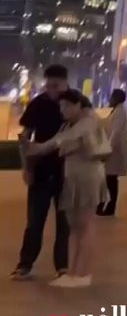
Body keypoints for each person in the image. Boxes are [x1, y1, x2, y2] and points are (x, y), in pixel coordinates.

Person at [25, 89, 110, 288]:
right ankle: (73, 272)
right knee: (76, 228)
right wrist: (38, 148)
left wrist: (39, 147)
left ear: (78, 105)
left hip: (87, 177)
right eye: (61, 106)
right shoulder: (71, 123)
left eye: (66, 106)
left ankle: (83, 273)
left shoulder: (88, 121)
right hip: (75, 177)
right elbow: (60, 139)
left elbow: (61, 140)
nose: (62, 110)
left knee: (85, 226)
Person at [11, 64, 70, 281]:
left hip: (68, 171)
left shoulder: (76, 102)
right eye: (48, 85)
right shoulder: (38, 104)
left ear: (65, 83)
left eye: (56, 85)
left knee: (65, 223)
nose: (51, 90)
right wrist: (26, 167)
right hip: (42, 170)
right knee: (35, 221)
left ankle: (62, 266)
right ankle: (25, 263)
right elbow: (25, 138)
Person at [97, 88, 127, 217]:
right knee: (109, 179)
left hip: (114, 151)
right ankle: (107, 205)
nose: (110, 100)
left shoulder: (120, 113)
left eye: (112, 97)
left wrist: (107, 150)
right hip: (114, 150)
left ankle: (110, 205)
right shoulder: (117, 111)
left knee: (110, 179)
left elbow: (115, 133)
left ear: (117, 99)